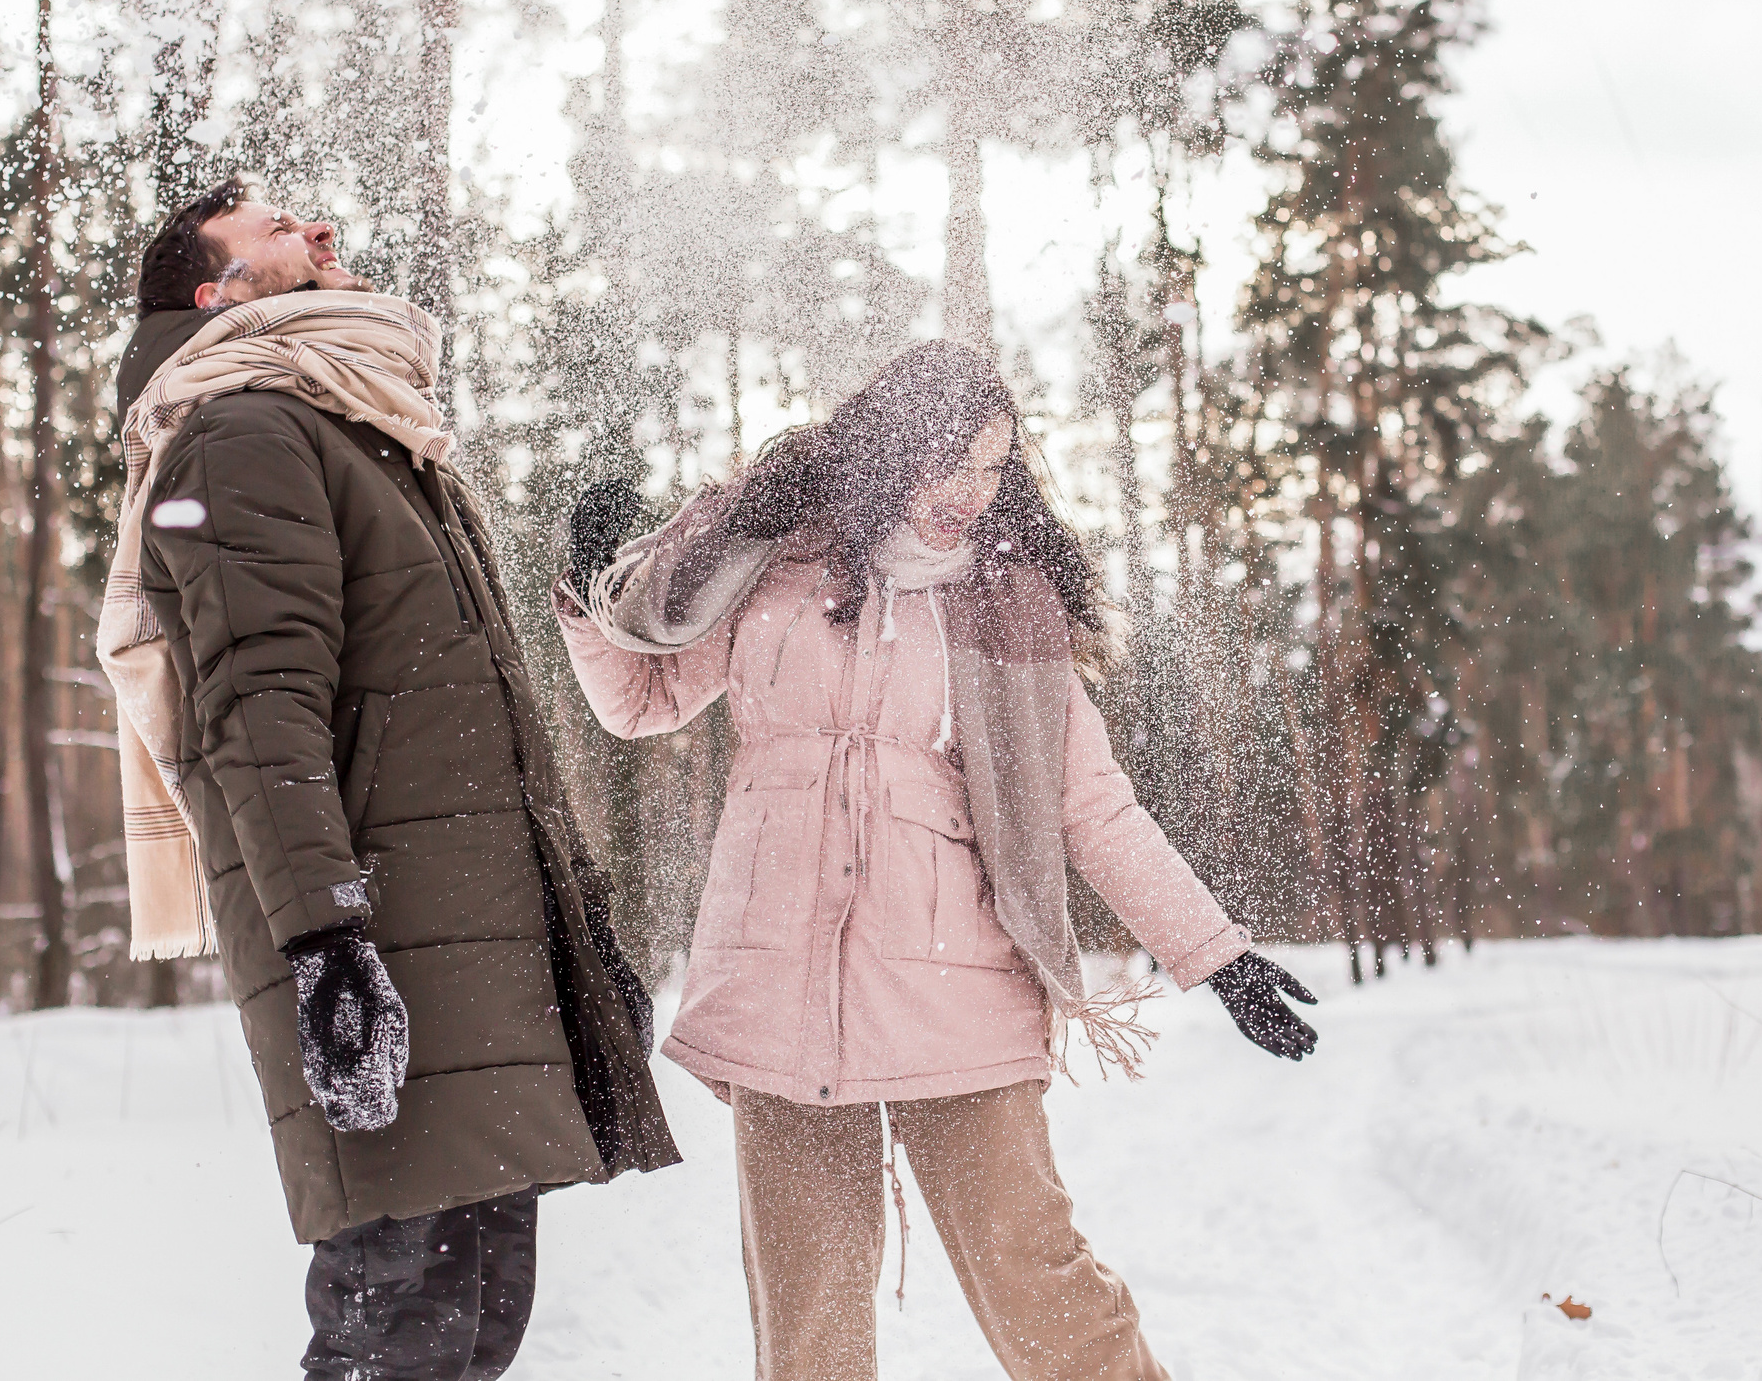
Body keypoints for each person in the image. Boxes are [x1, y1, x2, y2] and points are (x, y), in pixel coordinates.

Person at [555, 339, 1318, 1381]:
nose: (970, 492)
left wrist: (1216, 956)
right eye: (949, 462)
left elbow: (1089, 806)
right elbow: (642, 702)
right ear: (885, 451)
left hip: (954, 987)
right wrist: (590, 599)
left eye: (993, 468)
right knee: (807, 1318)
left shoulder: (1004, 604)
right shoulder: (774, 564)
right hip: (780, 986)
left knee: (1035, 1279)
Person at [100, 177, 678, 1381]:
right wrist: (323, 944)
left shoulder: (364, 430)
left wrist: (583, 924)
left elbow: (482, 732)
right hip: (388, 944)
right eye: (277, 231)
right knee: (395, 1329)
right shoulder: (243, 430)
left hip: (474, 950)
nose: (318, 233)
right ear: (221, 294)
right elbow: (257, 709)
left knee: (475, 1326)